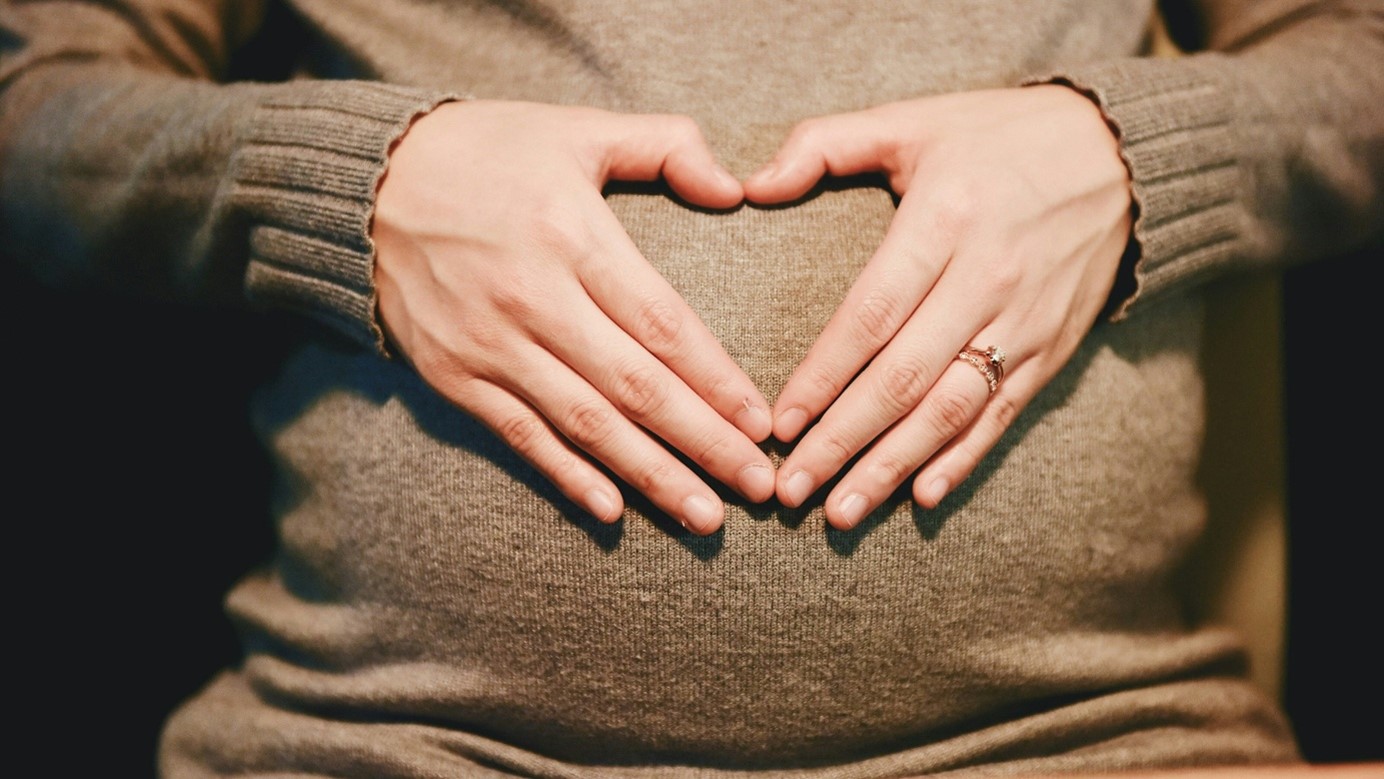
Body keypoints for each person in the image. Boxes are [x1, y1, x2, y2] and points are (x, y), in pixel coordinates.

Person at [1, 0, 1380, 775]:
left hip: (1092, 748)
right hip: (390, 749)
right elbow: (32, 99)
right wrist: (346, 185)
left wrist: (1139, 152)